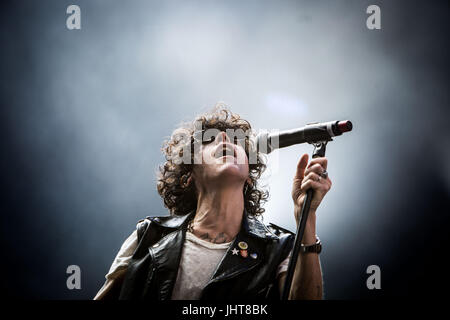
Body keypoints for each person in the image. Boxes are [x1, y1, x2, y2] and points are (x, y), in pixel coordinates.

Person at [94, 103, 331, 300]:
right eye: (209, 140)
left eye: (237, 142)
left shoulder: (280, 247)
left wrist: (306, 220)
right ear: (188, 177)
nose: (227, 139)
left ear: (248, 177)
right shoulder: (149, 236)